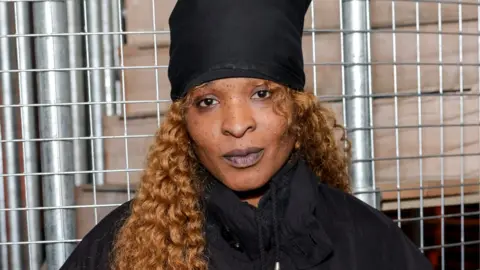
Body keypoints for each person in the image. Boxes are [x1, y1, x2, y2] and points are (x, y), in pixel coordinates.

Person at [60, 0, 434, 269]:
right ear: (182, 123)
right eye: (207, 101)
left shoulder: (370, 243)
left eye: (261, 94)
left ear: (297, 109)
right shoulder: (118, 250)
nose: (236, 125)